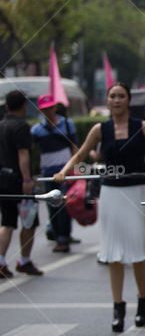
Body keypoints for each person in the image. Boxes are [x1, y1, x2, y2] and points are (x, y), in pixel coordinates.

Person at [54, 83, 145, 331]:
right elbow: (80, 156)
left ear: (128, 101)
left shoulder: (142, 128)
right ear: (107, 102)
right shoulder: (100, 129)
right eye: (113, 96)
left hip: (137, 191)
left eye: (121, 96)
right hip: (110, 193)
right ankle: (118, 307)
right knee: (113, 254)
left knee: (137, 252)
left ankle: (142, 301)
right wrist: (64, 172)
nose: (117, 100)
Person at [0, 90, 43, 277]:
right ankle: (24, 260)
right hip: (18, 179)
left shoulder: (1, 125)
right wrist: (27, 179)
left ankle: (1, 261)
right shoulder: (21, 126)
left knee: (7, 222)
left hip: (2, 179)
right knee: (30, 220)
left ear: (7, 106)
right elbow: (23, 154)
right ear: (24, 106)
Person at [31, 94, 78, 252]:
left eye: (50, 108)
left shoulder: (67, 124)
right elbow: (29, 150)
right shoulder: (36, 130)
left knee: (65, 205)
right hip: (48, 173)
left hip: (65, 172)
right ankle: (59, 237)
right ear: (40, 110)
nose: (48, 111)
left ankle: (65, 237)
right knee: (52, 207)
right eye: (44, 109)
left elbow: (75, 147)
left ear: (55, 107)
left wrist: (76, 168)